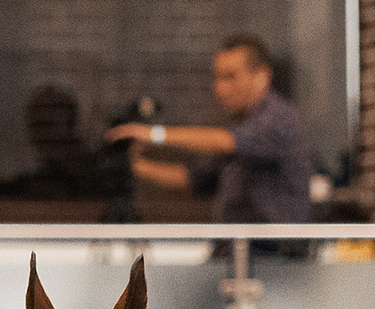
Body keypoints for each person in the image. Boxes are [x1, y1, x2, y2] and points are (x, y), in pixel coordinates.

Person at [105, 35, 314, 225]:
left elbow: (224, 141)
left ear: (262, 77)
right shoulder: (240, 124)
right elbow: (192, 178)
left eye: (230, 77)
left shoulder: (276, 119)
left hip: (275, 260)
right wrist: (134, 166)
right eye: (217, 78)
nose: (220, 89)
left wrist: (153, 134)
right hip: (235, 255)